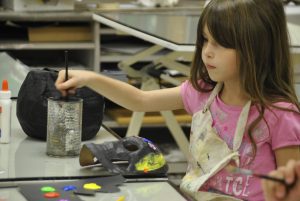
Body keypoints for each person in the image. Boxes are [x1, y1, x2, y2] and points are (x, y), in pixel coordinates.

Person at [55, 0, 300, 200]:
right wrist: (91, 78)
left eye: (221, 44)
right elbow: (139, 100)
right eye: (205, 39)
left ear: (256, 48)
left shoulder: (280, 115)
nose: (208, 51)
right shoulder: (203, 94)